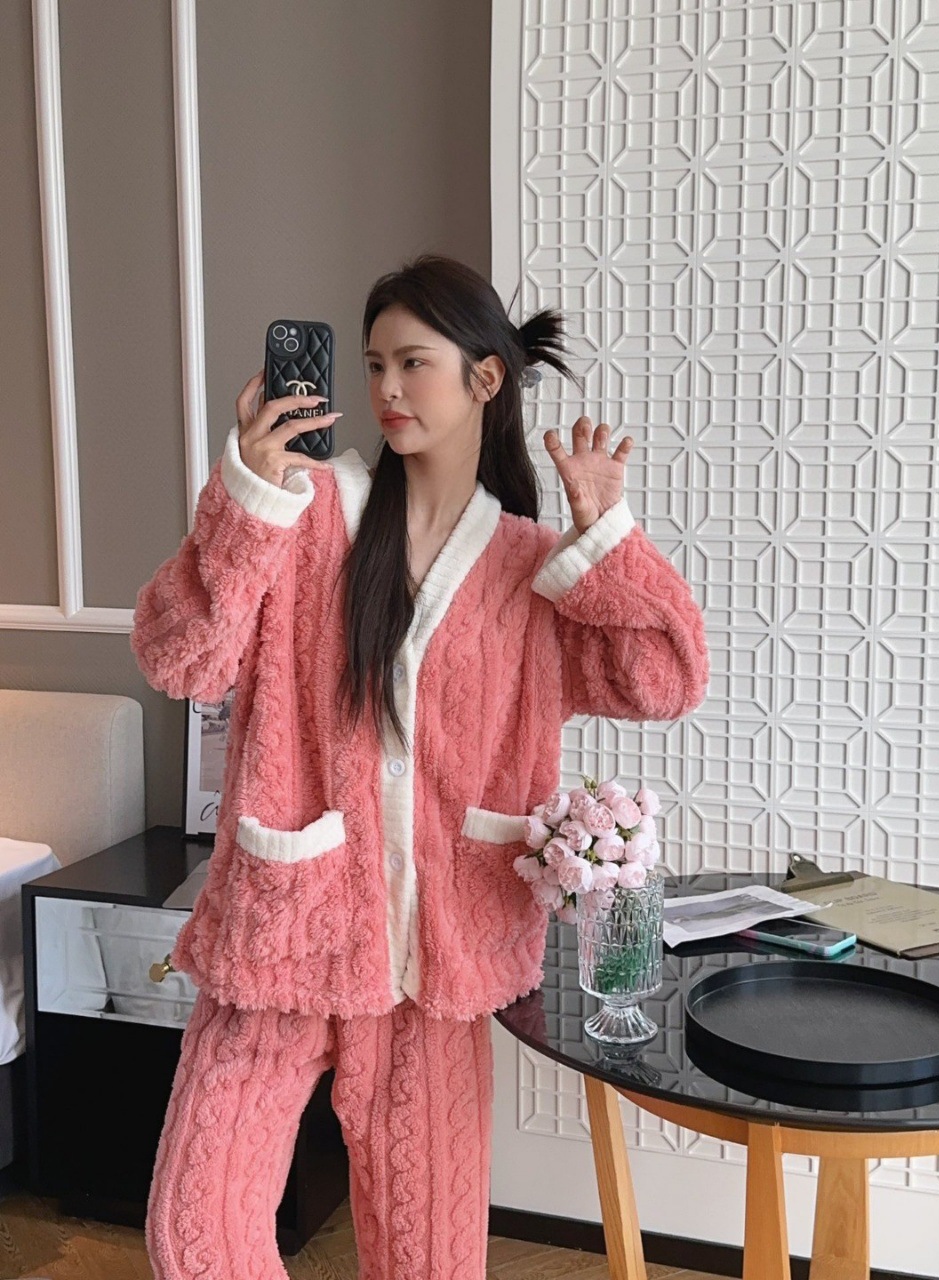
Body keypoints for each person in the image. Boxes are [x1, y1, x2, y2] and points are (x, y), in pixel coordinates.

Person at [130, 252, 710, 1279]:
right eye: (373, 365)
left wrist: (605, 534)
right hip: (286, 931)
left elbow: (664, 678)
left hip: (436, 960)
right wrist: (246, 497)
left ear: (485, 378)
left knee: (428, 1261)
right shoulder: (306, 513)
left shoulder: (528, 564)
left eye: (412, 362)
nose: (387, 389)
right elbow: (181, 659)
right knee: (196, 1232)